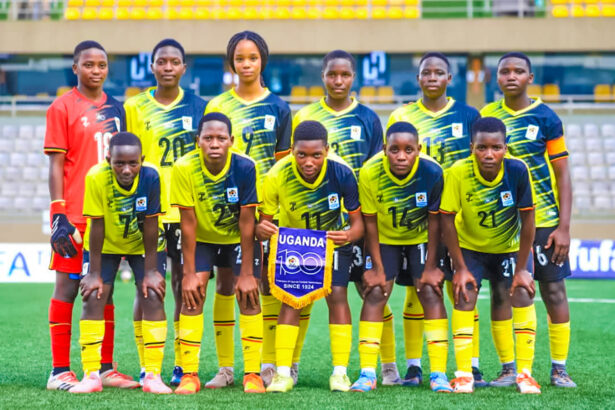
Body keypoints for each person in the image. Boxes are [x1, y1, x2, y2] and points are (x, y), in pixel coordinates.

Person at [291, 50, 398, 385]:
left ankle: (388, 365)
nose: (338, 81)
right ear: (322, 76)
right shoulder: (305, 116)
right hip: (313, 225)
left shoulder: (368, 118)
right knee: (301, 294)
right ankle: (289, 365)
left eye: (345, 75)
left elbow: (377, 169)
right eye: (332, 75)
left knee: (373, 291)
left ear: (354, 78)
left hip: (357, 220)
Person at [386, 52, 484, 387]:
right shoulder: (401, 116)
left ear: (449, 78)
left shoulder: (469, 115)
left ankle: (470, 365)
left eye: (438, 72)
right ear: (418, 79)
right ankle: (414, 366)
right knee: (418, 289)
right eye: (426, 72)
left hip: (459, 219)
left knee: (464, 290)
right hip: (417, 219)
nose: (432, 77)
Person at [44, 40, 136, 391]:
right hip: (75, 216)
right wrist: (58, 213)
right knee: (68, 288)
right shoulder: (62, 107)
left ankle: (105, 368)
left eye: (102, 65)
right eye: (88, 65)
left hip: (108, 216)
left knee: (105, 291)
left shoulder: (118, 108)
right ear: (75, 68)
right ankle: (59, 371)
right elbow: (56, 164)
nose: (96, 70)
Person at [481, 52, 575, 388]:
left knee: (553, 290)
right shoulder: (487, 115)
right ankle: (509, 368)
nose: (511, 76)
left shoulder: (546, 117)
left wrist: (564, 227)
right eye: (505, 71)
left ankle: (559, 368)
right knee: (501, 291)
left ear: (529, 78)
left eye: (518, 71)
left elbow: (562, 174)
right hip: (501, 222)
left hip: (544, 220)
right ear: (496, 77)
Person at [204, 30, 291, 388]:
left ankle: (266, 365)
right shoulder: (217, 106)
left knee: (266, 287)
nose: (246, 64)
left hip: (266, 212)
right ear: (231, 63)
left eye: (252, 58)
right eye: (239, 58)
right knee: (226, 283)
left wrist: (269, 215)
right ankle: (226, 368)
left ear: (262, 61)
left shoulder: (279, 107)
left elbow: (283, 167)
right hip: (227, 210)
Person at [257, 120, 364, 393]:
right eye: (301, 154)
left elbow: (358, 226)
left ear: (327, 150)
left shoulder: (342, 172)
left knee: (337, 295)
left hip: (332, 242)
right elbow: (262, 224)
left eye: (316, 155)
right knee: (290, 300)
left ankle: (340, 373)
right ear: (292, 150)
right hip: (295, 243)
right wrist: (262, 229)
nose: (308, 161)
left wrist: (348, 235)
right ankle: (282, 374)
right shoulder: (277, 174)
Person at [124, 38, 208, 386]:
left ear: (184, 68)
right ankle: (148, 364)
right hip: (151, 213)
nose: (168, 67)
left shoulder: (200, 107)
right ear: (152, 67)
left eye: (175, 62)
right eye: (162, 61)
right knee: (147, 287)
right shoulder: (134, 107)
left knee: (183, 286)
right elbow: (125, 161)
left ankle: (181, 363)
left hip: (188, 210)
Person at [440, 117, 540, 394]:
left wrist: (522, 269)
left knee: (522, 293)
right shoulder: (458, 172)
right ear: (471, 147)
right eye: (481, 147)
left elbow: (528, 220)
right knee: (464, 295)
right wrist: (460, 267)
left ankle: (524, 374)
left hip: (509, 247)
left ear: (505, 148)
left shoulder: (518, 170)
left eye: (496, 147)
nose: (488, 154)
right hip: (470, 248)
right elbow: (446, 219)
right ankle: (463, 375)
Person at [170, 112, 264, 394]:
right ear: (197, 140)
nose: (214, 143)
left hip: (237, 239)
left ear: (231, 140)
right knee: (192, 293)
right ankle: (189, 375)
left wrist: (246, 274)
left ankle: (252, 374)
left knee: (248, 294)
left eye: (221, 138)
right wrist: (188, 274)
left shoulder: (246, 166)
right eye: (208, 138)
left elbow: (247, 221)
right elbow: (187, 223)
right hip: (203, 240)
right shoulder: (184, 167)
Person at [353, 122, 449, 393]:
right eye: (394, 150)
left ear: (419, 149)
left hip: (421, 237)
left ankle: (439, 373)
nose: (401, 156)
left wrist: (431, 266)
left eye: (409, 150)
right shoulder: (370, 172)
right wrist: (377, 267)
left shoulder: (432, 172)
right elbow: (369, 222)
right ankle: (367, 373)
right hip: (384, 238)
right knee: (375, 292)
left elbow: (435, 222)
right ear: (385, 149)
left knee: (429, 290)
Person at [70, 132, 170, 394]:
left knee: (153, 295)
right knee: (93, 295)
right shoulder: (96, 177)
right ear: (108, 160)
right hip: (105, 244)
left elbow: (151, 223)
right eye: (119, 163)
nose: (126, 170)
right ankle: (91, 375)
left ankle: (152, 375)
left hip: (143, 245)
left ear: (142, 160)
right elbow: (97, 224)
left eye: (133, 163)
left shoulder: (151, 176)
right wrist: (93, 273)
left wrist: (151, 271)